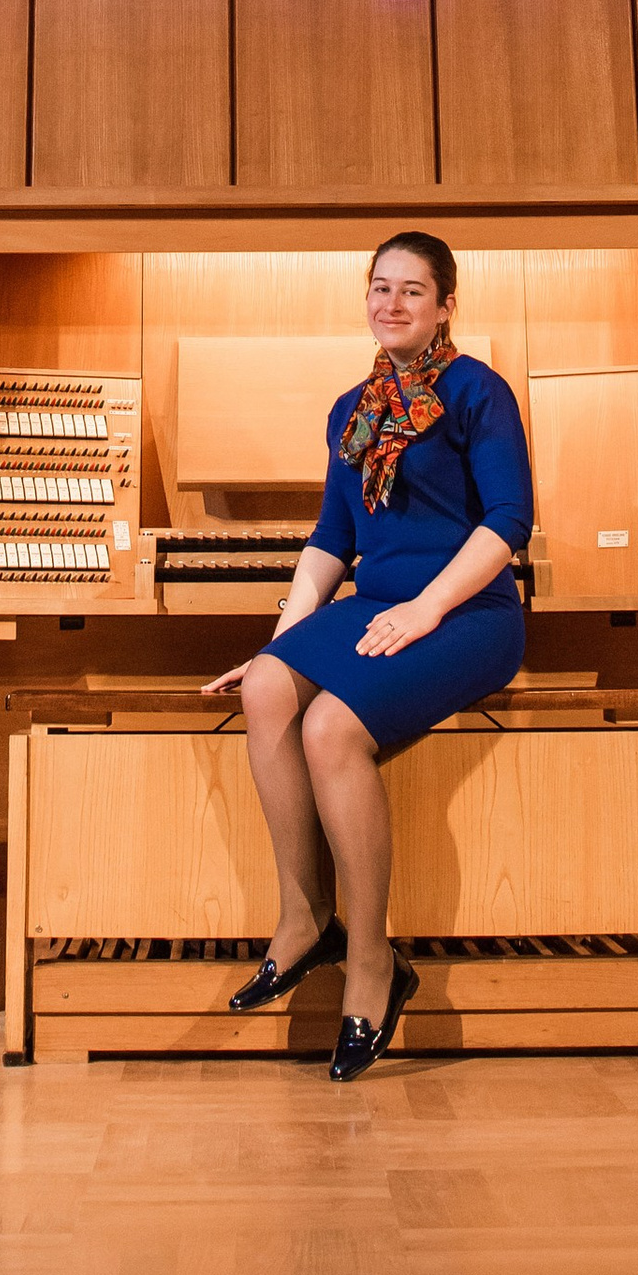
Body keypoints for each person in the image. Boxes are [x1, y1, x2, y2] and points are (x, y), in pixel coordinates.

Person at [203, 229, 532, 1082]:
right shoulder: (351, 407)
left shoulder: (477, 393)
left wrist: (426, 610)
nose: (391, 303)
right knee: (271, 686)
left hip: (469, 610)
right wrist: (282, 643)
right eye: (379, 288)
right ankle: (305, 918)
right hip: (381, 605)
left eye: (412, 291)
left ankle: (374, 962)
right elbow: (332, 538)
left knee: (330, 731)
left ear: (446, 304)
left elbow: (508, 521)